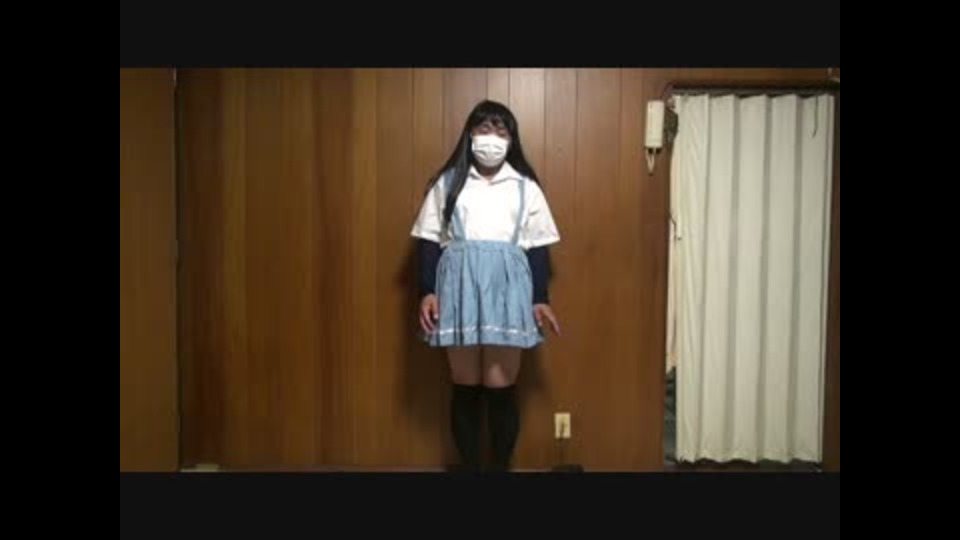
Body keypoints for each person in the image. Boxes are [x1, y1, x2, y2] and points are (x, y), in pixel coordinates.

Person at [410, 99, 562, 472]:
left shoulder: (526, 187)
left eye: (501, 131)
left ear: (511, 140)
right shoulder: (447, 183)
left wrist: (540, 298)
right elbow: (428, 239)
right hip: (458, 287)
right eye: (484, 129)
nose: (492, 138)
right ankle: (471, 468)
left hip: (508, 289)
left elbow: (537, 247)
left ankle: (499, 468)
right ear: (470, 135)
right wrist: (427, 290)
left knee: (500, 385)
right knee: (464, 382)